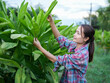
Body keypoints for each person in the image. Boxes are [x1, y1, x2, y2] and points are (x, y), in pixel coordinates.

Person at [33, 15, 95, 83]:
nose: (74, 35)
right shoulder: (75, 45)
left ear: (86, 38)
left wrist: (39, 47)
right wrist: (51, 22)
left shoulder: (81, 55)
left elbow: (55, 59)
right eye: (75, 32)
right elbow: (61, 39)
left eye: (78, 33)